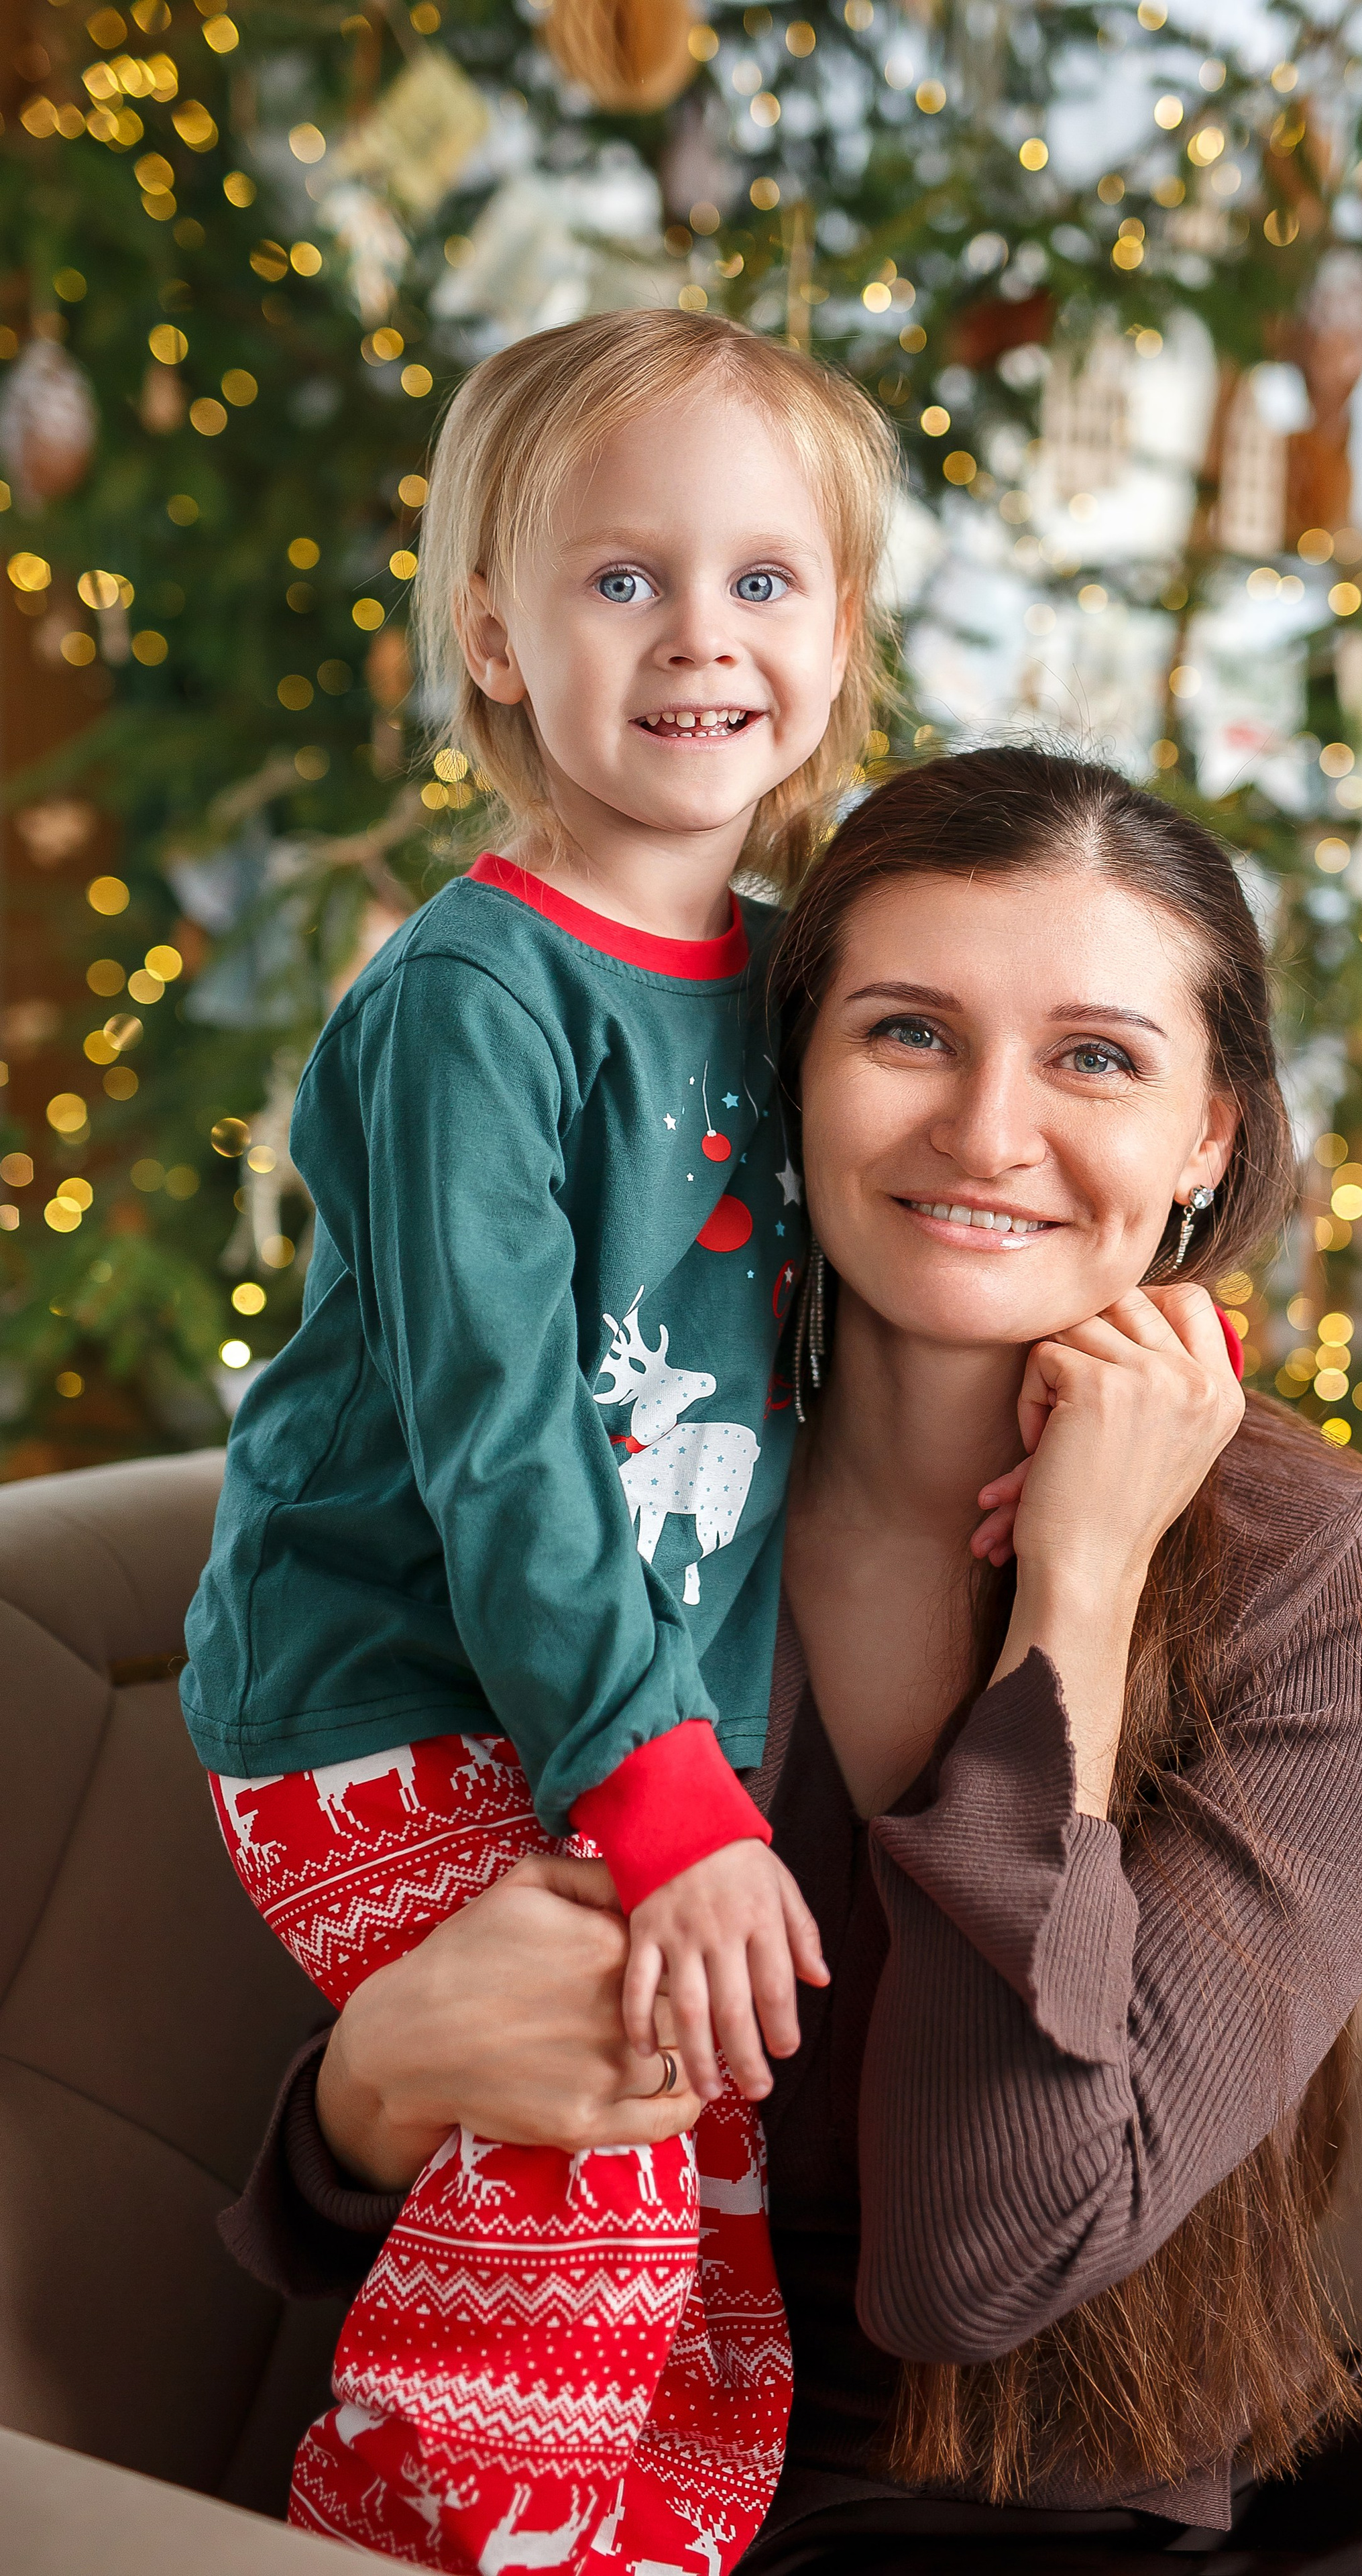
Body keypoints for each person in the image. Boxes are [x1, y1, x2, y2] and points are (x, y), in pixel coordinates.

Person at [225, 750, 1362, 2569]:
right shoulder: (597, 1494)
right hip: (677, 2496)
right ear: (790, 1070)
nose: (990, 1132)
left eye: (1097, 1058)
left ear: (1210, 1136)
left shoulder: (1322, 1577)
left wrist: (1077, 1591)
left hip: (1130, 2483)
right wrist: (376, 2082)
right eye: (911, 1033)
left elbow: (989, 2262)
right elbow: (321, 2208)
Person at [181, 308, 901, 2573]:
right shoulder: (470, 1004)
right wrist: (669, 1793)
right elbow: (504, 1444)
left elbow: (906, 1252)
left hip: (622, 1721)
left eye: (764, 579)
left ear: (840, 633)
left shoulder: (798, 980)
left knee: (705, 2225)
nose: (703, 635)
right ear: (496, 636)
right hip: (388, 1704)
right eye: (623, 579)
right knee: (596, 2118)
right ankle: (405, 2537)